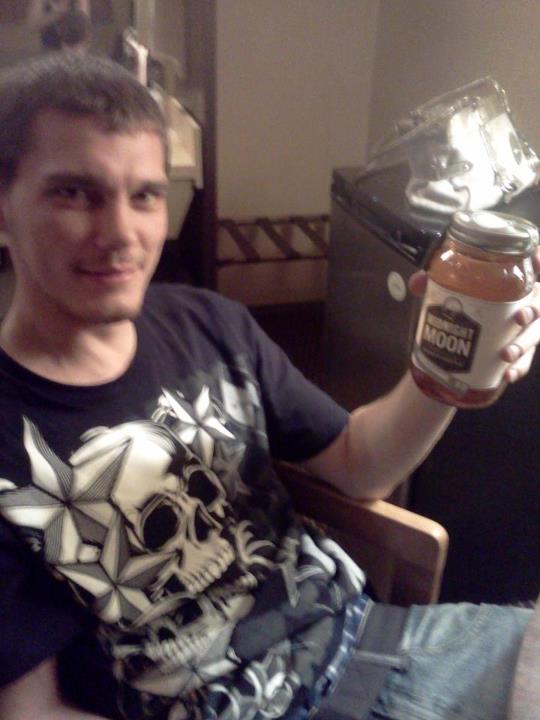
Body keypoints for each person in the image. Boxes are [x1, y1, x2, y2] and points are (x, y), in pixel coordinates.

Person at [0, 54, 537, 720]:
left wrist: (444, 370)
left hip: (374, 644)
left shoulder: (209, 324)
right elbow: (32, 711)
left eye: (144, 195)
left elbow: (361, 463)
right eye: (74, 193)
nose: (120, 234)